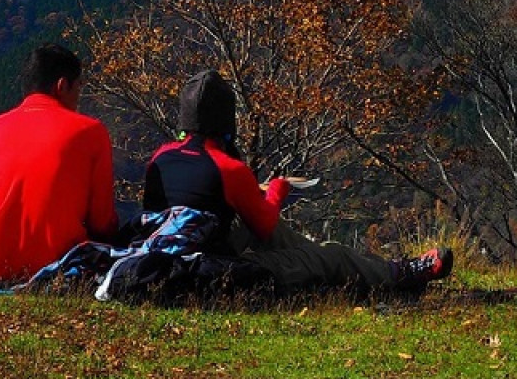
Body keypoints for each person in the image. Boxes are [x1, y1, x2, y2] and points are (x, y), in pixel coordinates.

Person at [143, 69, 452, 299]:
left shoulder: (160, 156)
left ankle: (356, 266)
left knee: (301, 245)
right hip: (212, 270)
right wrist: (277, 189)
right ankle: (399, 274)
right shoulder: (228, 167)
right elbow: (264, 226)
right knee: (331, 255)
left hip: (164, 261)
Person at [0, 44, 119, 284]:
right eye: (79, 86)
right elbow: (101, 223)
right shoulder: (90, 132)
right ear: (62, 86)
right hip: (60, 269)